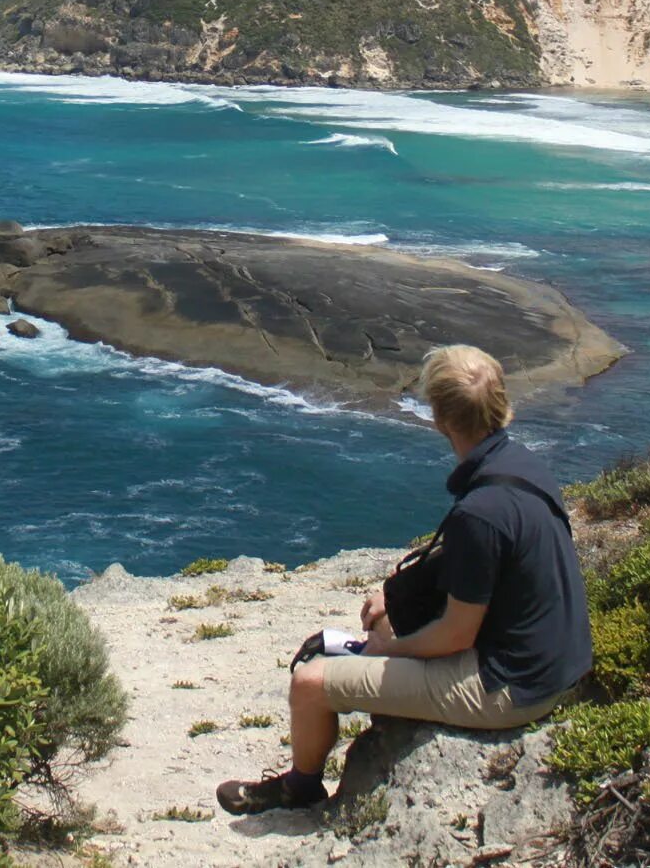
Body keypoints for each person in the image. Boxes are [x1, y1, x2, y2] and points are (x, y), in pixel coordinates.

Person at [216, 344, 592, 815]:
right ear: (502, 405)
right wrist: (391, 603)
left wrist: (385, 651)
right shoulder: (523, 467)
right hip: (555, 662)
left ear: (440, 420)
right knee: (381, 620)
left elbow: (457, 635)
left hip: (512, 689)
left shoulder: (481, 511)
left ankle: (301, 788)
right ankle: (361, 671)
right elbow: (480, 561)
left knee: (311, 683)